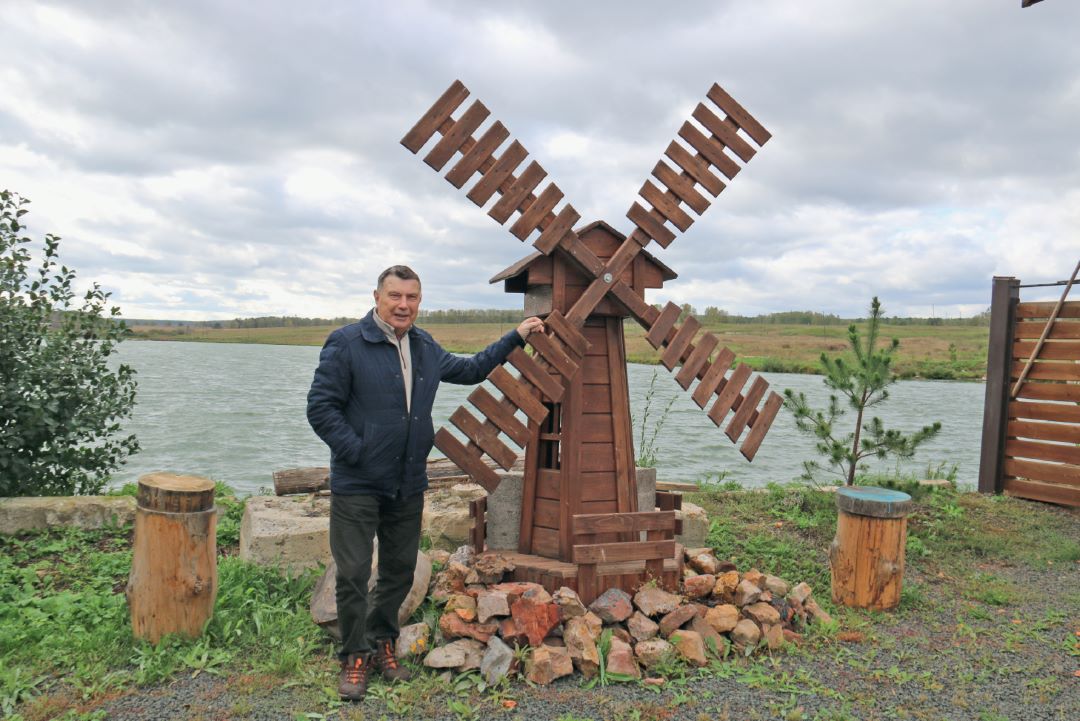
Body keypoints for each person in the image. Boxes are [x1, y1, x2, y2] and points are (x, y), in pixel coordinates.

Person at [306, 265, 543, 701]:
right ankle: (354, 655)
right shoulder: (347, 343)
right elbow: (321, 407)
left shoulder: (424, 345)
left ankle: (382, 642)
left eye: (411, 297)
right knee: (353, 573)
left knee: (398, 571)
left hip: (407, 481)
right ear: (377, 297)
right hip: (358, 483)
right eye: (394, 296)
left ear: (419, 301)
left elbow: (471, 369)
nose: (403, 305)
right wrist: (358, 451)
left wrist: (516, 336)